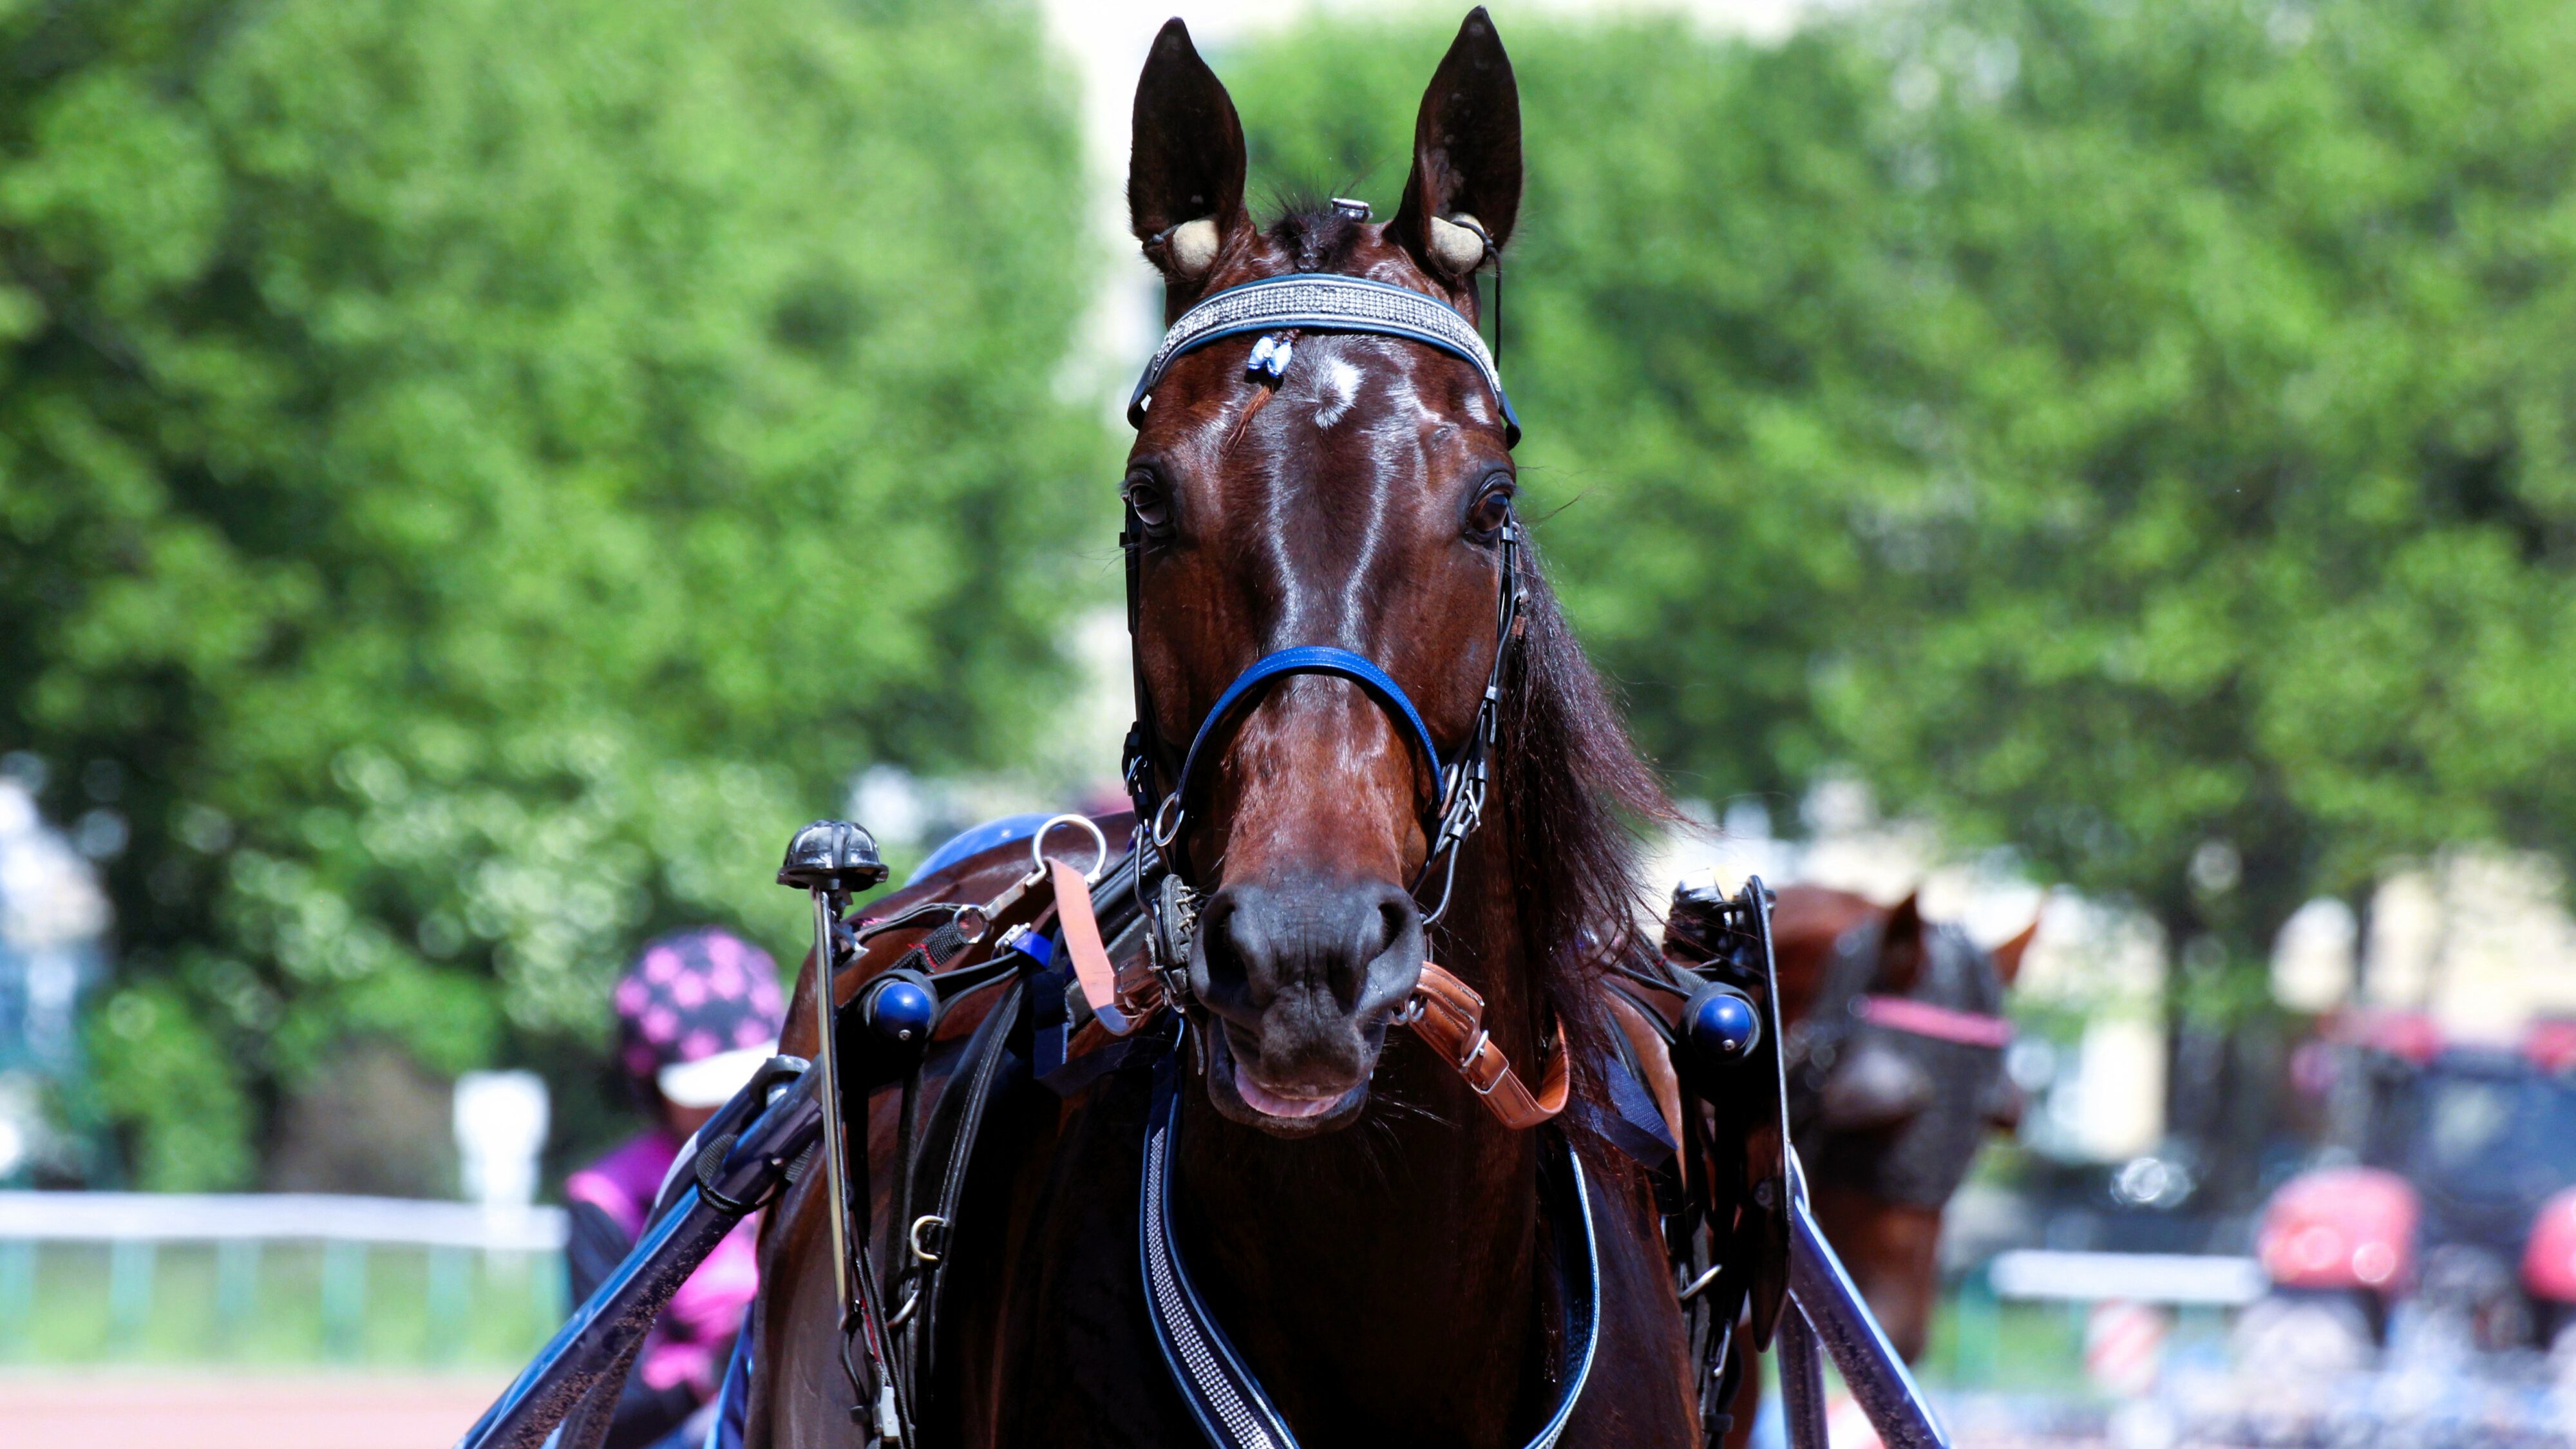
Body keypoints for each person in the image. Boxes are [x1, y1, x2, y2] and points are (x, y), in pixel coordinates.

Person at [564, 927, 786, 1449]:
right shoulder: (606, 1198)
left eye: (744, 1080)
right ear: (647, 1078)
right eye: (702, 1089)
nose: (728, 1105)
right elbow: (610, 1414)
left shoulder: (818, 1157)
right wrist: (723, 1359)